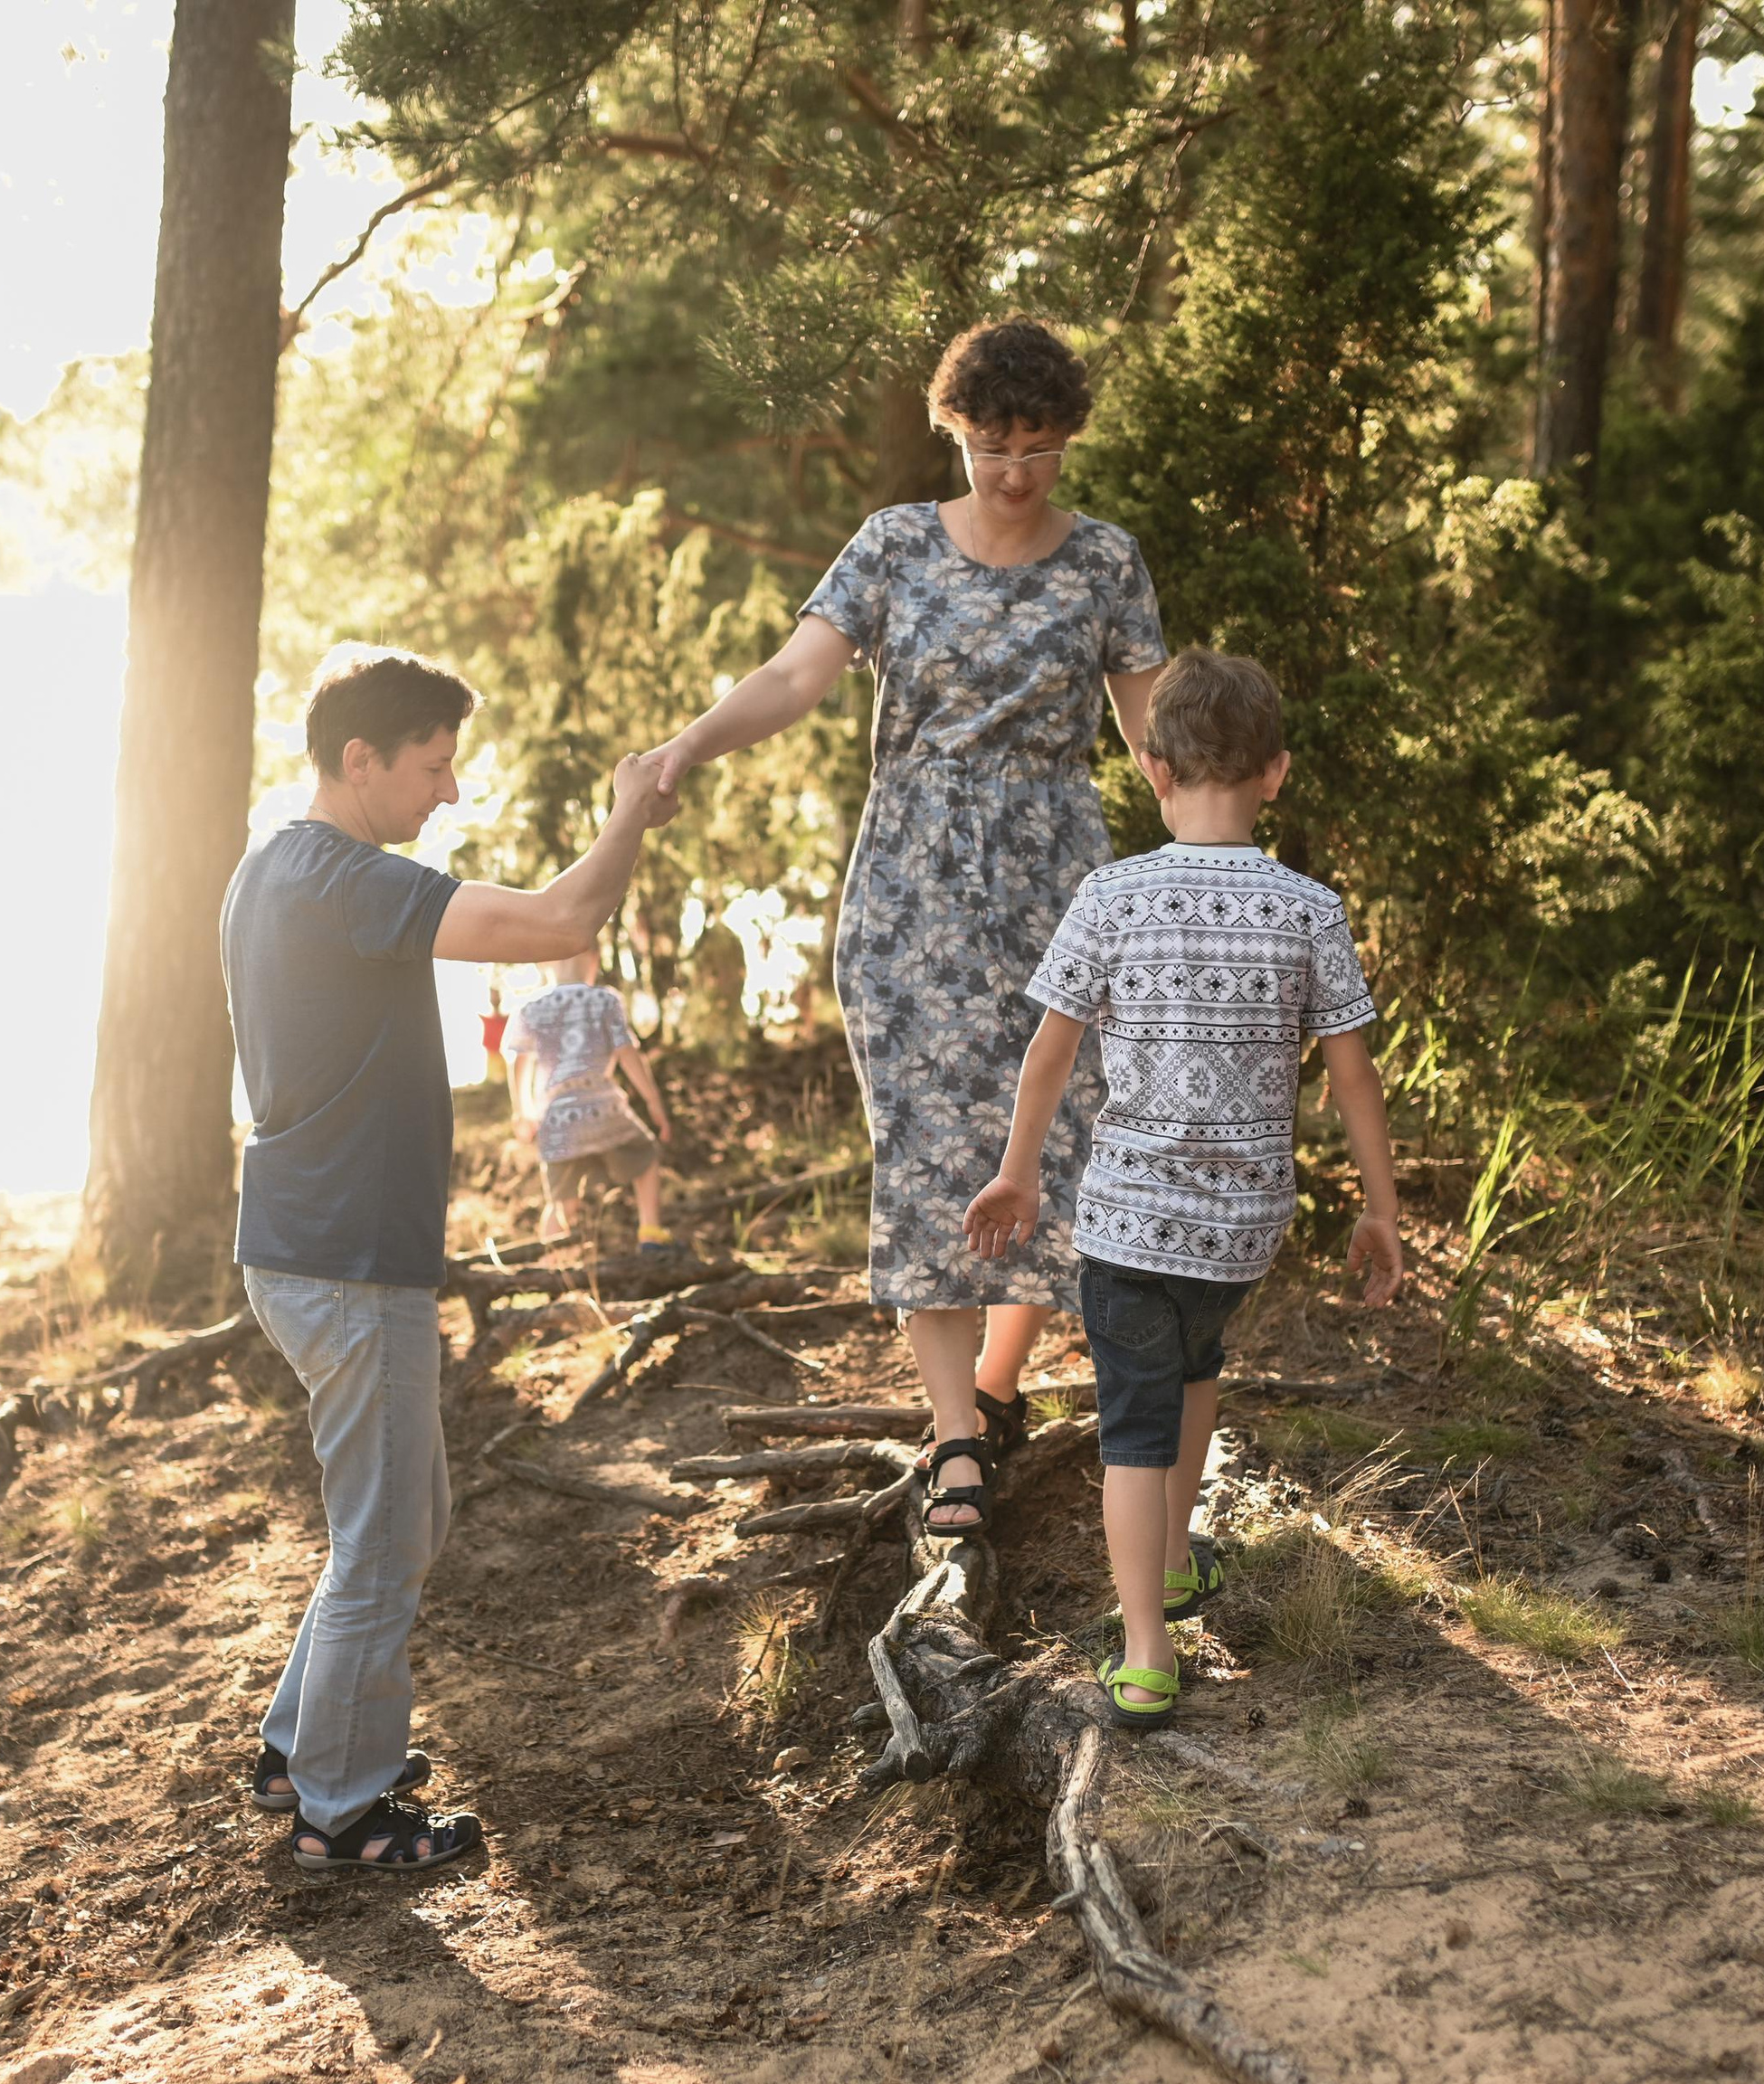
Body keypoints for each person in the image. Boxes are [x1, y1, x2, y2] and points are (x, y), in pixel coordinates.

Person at [637, 315, 1170, 1538]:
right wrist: (685, 747)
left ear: (1069, 441)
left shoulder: (1106, 564)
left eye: (1042, 449)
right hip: (912, 888)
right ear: (955, 432)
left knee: (1064, 1142)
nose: (1017, 473)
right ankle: (952, 1443)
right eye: (992, 445)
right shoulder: (890, 548)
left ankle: (994, 1387)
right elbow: (791, 678)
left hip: (1056, 882)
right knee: (930, 1153)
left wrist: (1225, 860)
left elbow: (1156, 743)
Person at [222, 643, 670, 1872]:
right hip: (347, 1255)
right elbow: (561, 921)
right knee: (382, 1536)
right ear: (358, 761)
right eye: (433, 765)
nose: (451, 792)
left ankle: (295, 1749)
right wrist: (631, 810)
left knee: (404, 1514)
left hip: (326, 1247)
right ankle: (344, 1814)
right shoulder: (337, 876)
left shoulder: (275, 868)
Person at [961, 649, 1406, 1729]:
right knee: (1195, 1369)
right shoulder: (1309, 908)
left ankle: (1148, 1650)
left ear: (1153, 771)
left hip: (1128, 1218)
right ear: (1276, 772)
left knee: (1131, 1427)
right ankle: (1168, 1563)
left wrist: (1016, 1172)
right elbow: (1353, 1075)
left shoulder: (1113, 895)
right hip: (1241, 1226)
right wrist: (1381, 1207)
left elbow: (1050, 1053)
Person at [503, 949, 675, 1246]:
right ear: (594, 961)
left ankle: (556, 1265)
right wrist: (653, 1100)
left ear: (545, 963)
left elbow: (517, 1061)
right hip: (604, 1108)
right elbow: (627, 1053)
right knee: (645, 1157)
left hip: (556, 1118)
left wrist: (523, 1111)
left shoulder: (530, 1008)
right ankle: (650, 1233)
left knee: (560, 1202)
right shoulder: (605, 1000)